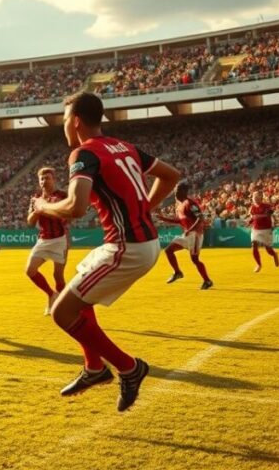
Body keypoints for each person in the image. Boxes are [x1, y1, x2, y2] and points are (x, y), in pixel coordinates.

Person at [32, 92, 180, 412]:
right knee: (80, 285)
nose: (63, 127)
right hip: (140, 242)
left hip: (127, 248)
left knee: (62, 312)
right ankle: (94, 366)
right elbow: (171, 175)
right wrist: (144, 208)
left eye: (64, 120)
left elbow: (76, 207)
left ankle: (129, 368)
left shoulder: (84, 153)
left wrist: (42, 206)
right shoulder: (125, 147)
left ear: (75, 121)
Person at [26, 167, 70, 315]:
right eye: (42, 179)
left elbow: (61, 215)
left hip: (60, 239)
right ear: (39, 181)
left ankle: (64, 306)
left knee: (58, 276)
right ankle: (51, 295)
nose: (44, 181)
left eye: (47, 178)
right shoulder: (35, 198)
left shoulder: (62, 195)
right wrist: (37, 211)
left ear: (54, 180)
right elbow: (30, 221)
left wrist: (43, 208)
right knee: (30, 270)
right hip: (43, 239)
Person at [156, 183, 213, 289]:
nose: (175, 193)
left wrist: (190, 229)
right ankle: (177, 272)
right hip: (187, 234)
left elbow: (200, 218)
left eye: (177, 191)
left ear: (184, 192)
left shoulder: (189, 203)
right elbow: (179, 221)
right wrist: (163, 218)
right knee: (168, 250)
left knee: (195, 260)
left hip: (195, 234)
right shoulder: (179, 206)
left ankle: (207, 281)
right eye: (175, 191)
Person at [247, 190, 279, 272]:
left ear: (261, 197)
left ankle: (274, 254)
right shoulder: (252, 208)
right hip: (255, 229)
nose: (254, 198)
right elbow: (252, 218)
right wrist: (249, 222)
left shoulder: (267, 206)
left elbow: (270, 214)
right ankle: (259, 264)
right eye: (253, 196)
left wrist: (274, 223)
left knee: (268, 250)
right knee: (254, 244)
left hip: (266, 229)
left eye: (256, 196)